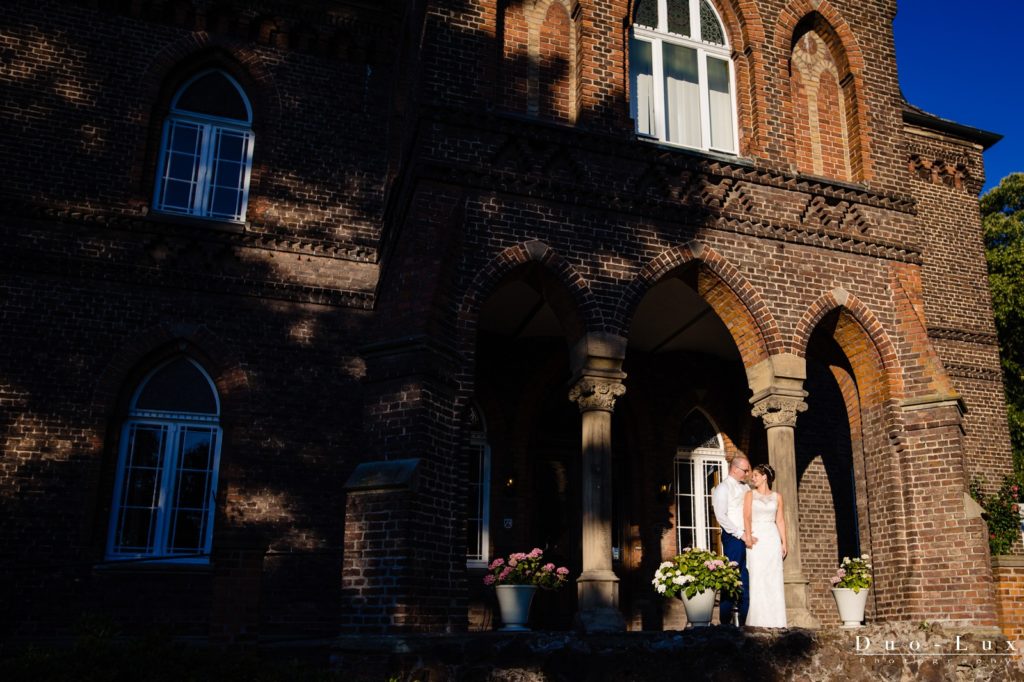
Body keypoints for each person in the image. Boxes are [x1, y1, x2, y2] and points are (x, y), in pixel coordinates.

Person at [743, 463, 787, 627]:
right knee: (758, 576)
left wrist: (784, 542)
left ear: (764, 477)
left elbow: (780, 520)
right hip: (757, 538)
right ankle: (758, 621)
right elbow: (746, 516)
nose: (752, 478)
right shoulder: (750, 495)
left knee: (773, 577)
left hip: (772, 538)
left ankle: (777, 621)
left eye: (755, 475)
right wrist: (748, 536)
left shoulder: (777, 497)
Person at [710, 455, 752, 626]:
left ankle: (745, 620)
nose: (747, 473)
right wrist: (739, 534)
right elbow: (721, 516)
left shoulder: (746, 487)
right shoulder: (723, 488)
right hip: (734, 537)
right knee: (732, 578)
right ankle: (725, 621)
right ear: (734, 469)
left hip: (748, 535)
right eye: (745, 470)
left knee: (747, 577)